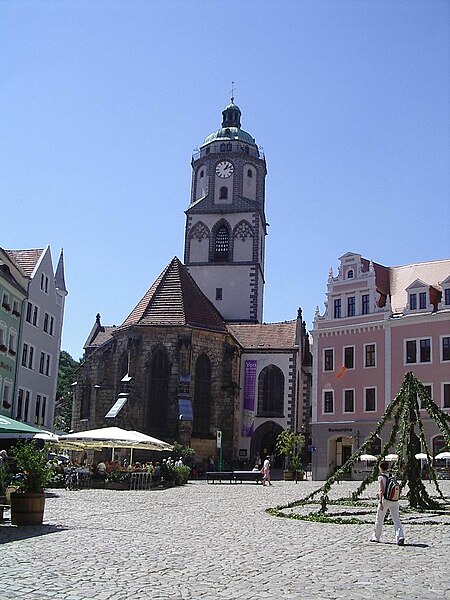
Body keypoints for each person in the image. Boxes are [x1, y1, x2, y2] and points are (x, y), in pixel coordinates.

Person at [371, 461, 404, 545]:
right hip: (394, 501)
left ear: (380, 468)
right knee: (396, 519)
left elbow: (381, 490)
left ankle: (376, 537)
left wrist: (380, 502)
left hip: (385, 500)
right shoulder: (392, 476)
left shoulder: (381, 477)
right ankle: (400, 537)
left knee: (379, 519)